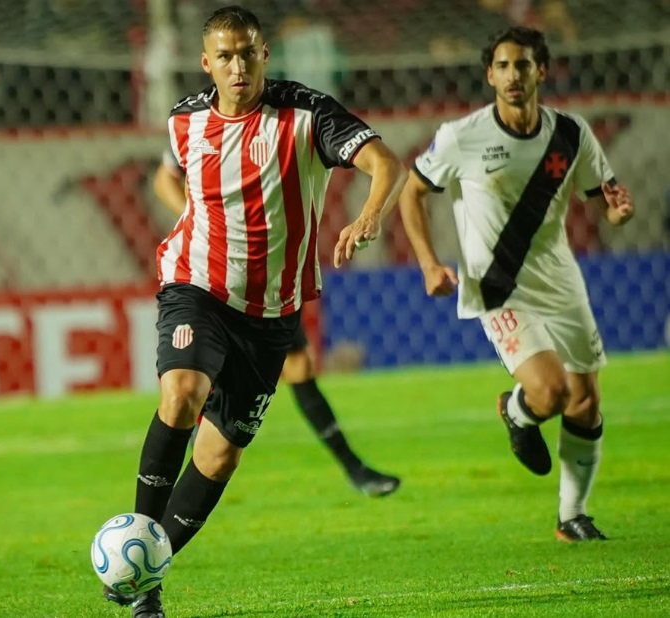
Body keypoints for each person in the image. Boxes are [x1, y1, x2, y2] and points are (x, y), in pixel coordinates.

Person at [106, 6, 405, 617]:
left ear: (264, 53)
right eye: (225, 55)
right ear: (206, 62)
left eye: (247, 53)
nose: (237, 66)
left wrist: (368, 215)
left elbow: (385, 163)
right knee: (181, 391)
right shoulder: (184, 119)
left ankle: (147, 569)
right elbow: (176, 181)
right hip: (196, 284)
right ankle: (139, 565)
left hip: (271, 311)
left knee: (218, 456)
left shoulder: (306, 114)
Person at [397, 26, 635, 543]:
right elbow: (410, 193)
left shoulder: (571, 134)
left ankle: (573, 517)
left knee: (586, 400)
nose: (512, 76)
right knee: (550, 391)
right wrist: (428, 264)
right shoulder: (462, 135)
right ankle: (516, 410)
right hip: (498, 285)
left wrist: (617, 212)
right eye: (502, 66)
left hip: (561, 282)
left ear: (541, 72)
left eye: (522, 66)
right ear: (489, 75)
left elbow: (607, 196)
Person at [153, 147, 401, 498]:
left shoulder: (277, 123)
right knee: (199, 379)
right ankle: (177, 479)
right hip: (213, 275)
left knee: (299, 365)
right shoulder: (201, 123)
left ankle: (353, 467)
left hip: (265, 274)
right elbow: (165, 178)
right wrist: (199, 221)